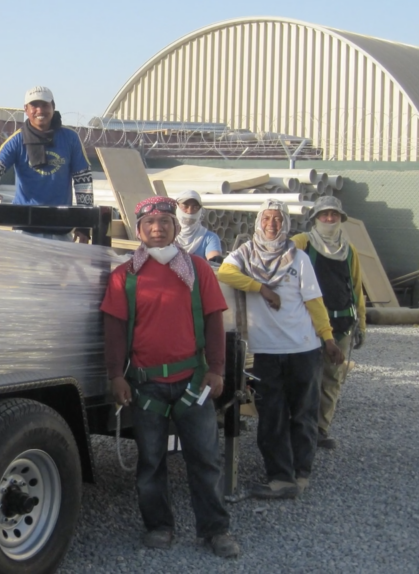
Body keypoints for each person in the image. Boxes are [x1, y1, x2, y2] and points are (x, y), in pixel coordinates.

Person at [101, 196, 239, 558]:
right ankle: (159, 525)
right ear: (139, 230)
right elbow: (114, 329)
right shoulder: (125, 275)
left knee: (205, 459)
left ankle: (215, 529)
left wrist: (217, 369)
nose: (157, 229)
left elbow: (214, 320)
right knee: (151, 462)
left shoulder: (197, 269)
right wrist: (116, 375)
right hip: (147, 386)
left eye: (165, 222)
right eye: (150, 224)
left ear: (176, 228)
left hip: (193, 383)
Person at [216, 200, 344, 499]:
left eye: (278, 219)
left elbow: (314, 302)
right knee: (271, 416)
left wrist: (328, 338)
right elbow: (224, 274)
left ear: (285, 224)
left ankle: (302, 473)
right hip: (267, 352)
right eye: (267, 218)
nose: (272, 224)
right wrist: (262, 288)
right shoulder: (245, 254)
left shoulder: (298, 258)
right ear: (258, 222)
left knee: (303, 413)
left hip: (303, 348)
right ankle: (280, 477)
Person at [290, 196, 365, 450]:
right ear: (315, 218)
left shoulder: (349, 250)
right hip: (307, 324)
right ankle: (300, 427)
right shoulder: (302, 244)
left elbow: (356, 288)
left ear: (341, 218)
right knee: (305, 377)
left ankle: (320, 429)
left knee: (332, 378)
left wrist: (361, 325)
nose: (329, 219)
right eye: (324, 215)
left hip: (341, 323)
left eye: (334, 214)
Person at [0, 86, 93, 242]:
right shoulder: (17, 140)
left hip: (61, 230)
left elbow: (83, 180)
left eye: (44, 105)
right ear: (26, 109)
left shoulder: (70, 138)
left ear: (53, 107)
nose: (40, 110)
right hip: (25, 231)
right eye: (34, 105)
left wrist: (84, 225)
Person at [175, 190, 223, 262]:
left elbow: (214, 261)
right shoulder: (167, 236)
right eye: (185, 206)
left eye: (195, 207)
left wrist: (215, 259)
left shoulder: (209, 238)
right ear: (177, 207)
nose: (190, 211)